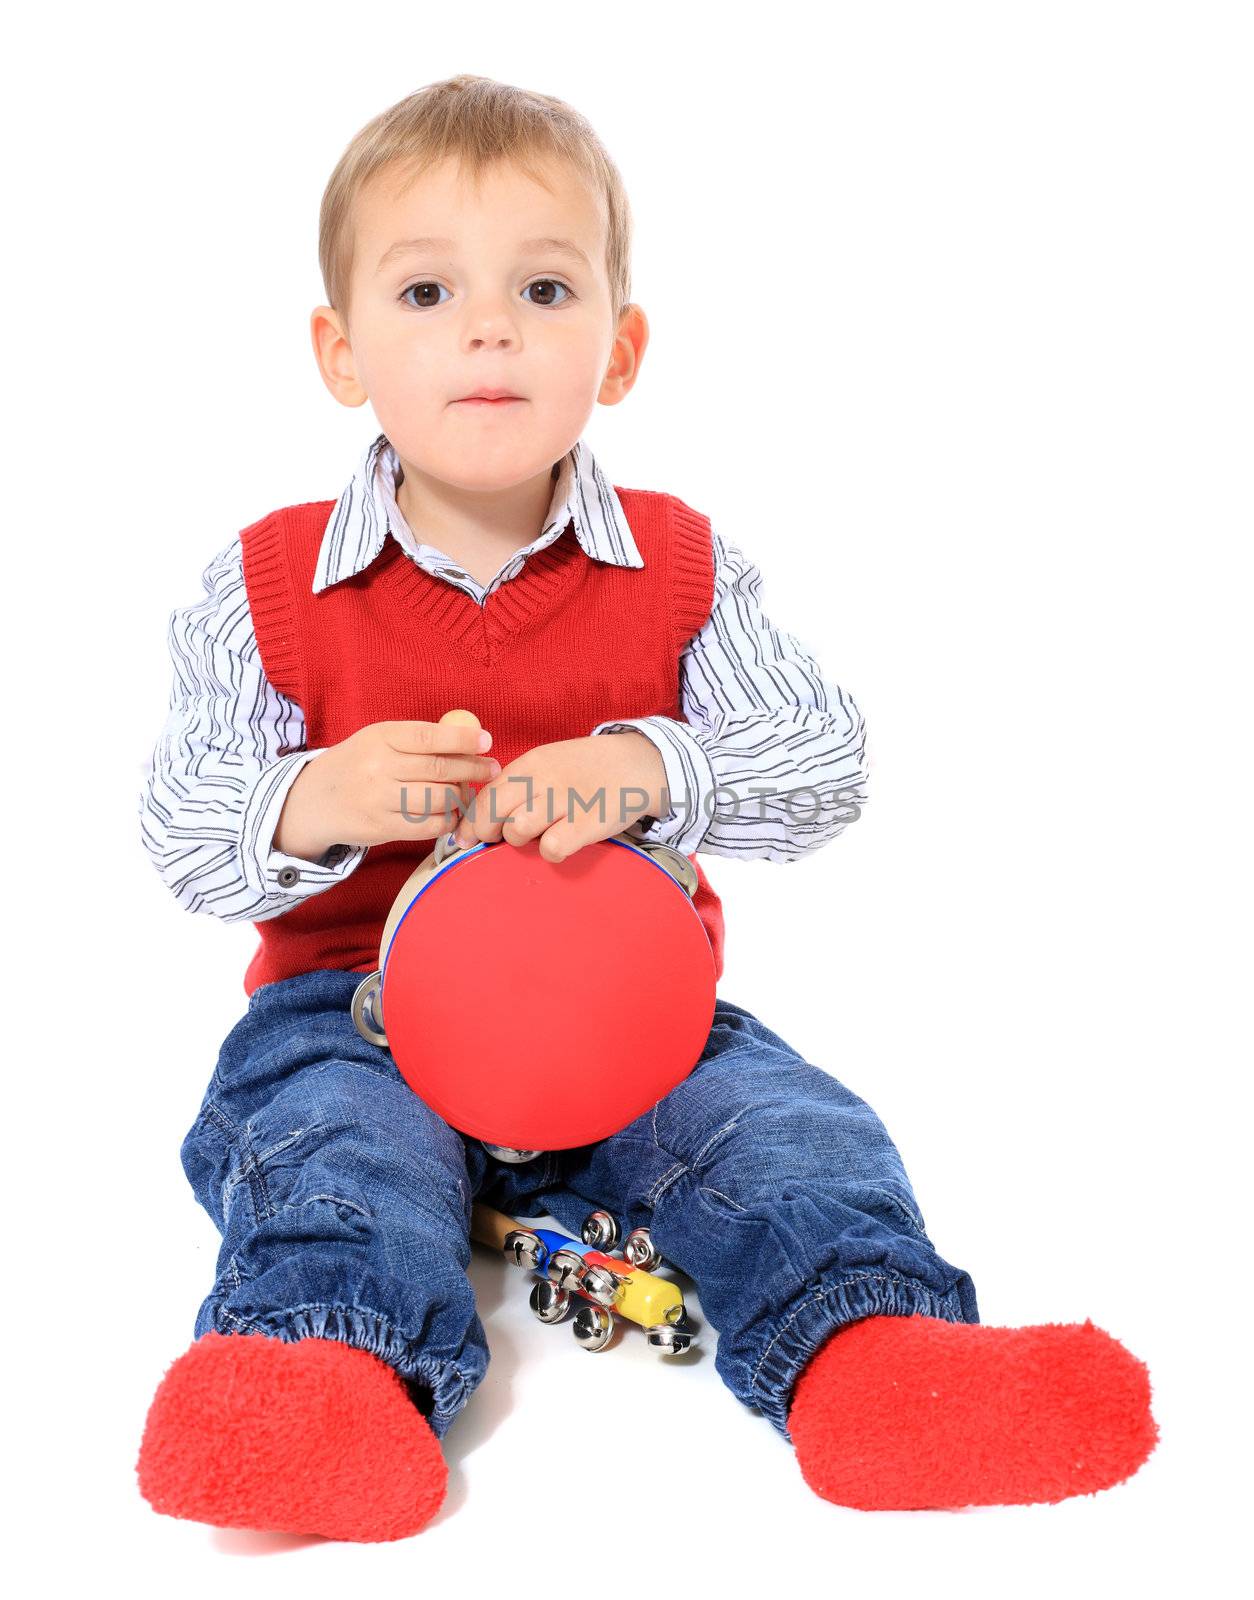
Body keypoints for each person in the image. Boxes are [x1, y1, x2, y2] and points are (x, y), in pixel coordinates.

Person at [134, 74, 1157, 1542]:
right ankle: (322, 1377)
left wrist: (653, 763)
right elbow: (175, 826)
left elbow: (823, 767)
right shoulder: (266, 583)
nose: (488, 327)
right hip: (349, 1012)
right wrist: (318, 795)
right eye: (426, 290)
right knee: (331, 1159)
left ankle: (873, 1362)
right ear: (340, 351)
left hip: (629, 1019)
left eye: (542, 288)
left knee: (778, 1128)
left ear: (616, 351)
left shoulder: (676, 563)